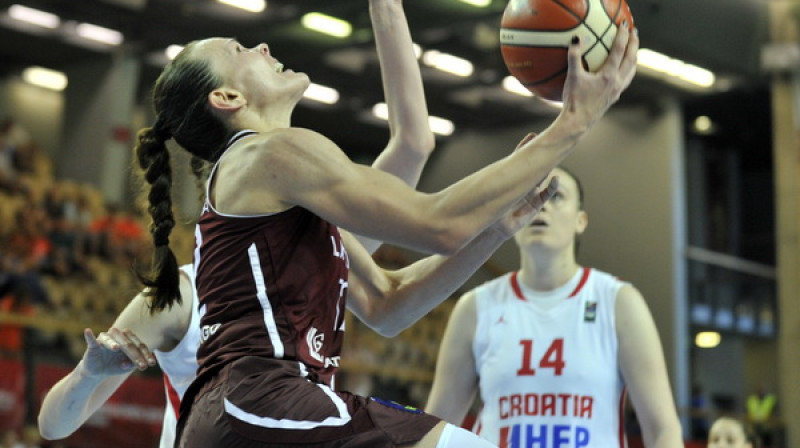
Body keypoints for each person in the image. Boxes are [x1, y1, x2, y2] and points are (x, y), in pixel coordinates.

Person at [133, 0, 638, 445]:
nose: (262, 45)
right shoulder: (272, 151)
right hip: (261, 404)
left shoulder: (279, 189)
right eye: (240, 48)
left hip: (245, 418)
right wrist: (573, 123)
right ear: (227, 99)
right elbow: (437, 224)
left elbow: (385, 302)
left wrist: (496, 228)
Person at [36, 0, 449, 444]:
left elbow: (413, 145)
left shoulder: (309, 242)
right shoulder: (181, 298)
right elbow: (53, 424)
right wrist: (87, 372)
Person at [425, 167, 683, 448]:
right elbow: (436, 428)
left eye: (556, 195)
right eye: (529, 196)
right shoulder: (475, 307)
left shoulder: (619, 302)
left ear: (581, 221)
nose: (541, 205)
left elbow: (663, 431)